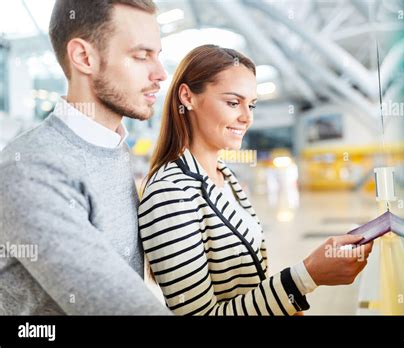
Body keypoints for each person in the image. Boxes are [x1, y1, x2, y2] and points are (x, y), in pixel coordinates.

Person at [139, 44, 373, 316]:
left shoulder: (224, 176)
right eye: (232, 102)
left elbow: (250, 282)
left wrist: (289, 304)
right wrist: (307, 275)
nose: (247, 117)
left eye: (251, 104)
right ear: (187, 97)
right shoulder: (171, 193)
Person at [0, 0, 171, 315]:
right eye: (141, 55)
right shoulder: (30, 171)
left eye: (157, 56)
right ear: (83, 57)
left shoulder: (111, 146)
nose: (161, 74)